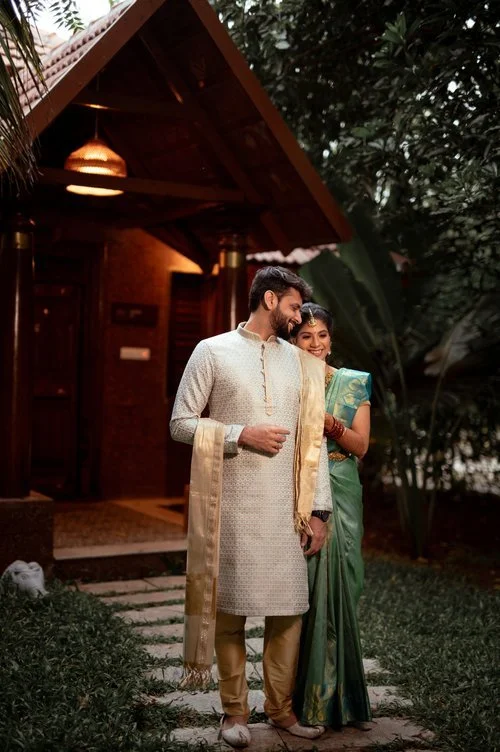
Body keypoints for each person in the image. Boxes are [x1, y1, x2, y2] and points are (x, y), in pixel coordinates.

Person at [170, 267, 333, 748]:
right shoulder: (212, 351)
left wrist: (319, 511)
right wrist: (241, 434)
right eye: (293, 307)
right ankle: (234, 713)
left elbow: (314, 440)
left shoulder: (301, 363)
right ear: (269, 300)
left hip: (287, 508)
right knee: (230, 614)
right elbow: (180, 422)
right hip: (233, 506)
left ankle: (281, 710)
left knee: (289, 612)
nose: (299, 317)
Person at [290, 303, 372, 728]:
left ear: (331, 339)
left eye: (321, 335)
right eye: (306, 336)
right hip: (302, 491)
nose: (315, 343)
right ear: (293, 342)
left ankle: (346, 700)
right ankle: (303, 700)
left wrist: (331, 425)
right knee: (306, 592)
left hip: (343, 489)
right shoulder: (286, 383)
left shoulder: (353, 383)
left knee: (345, 587)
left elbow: (361, 447)